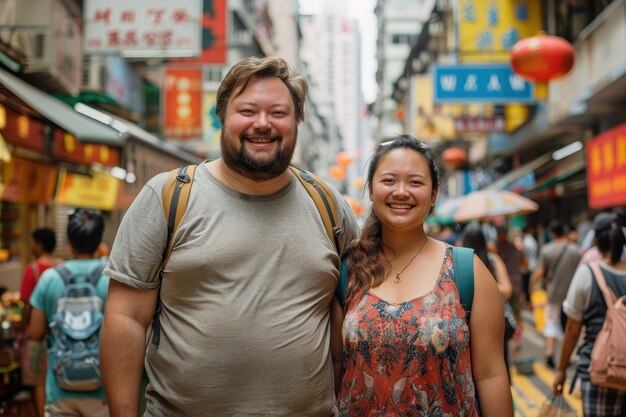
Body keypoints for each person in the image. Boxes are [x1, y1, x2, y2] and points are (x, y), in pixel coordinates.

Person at [100, 56, 359, 417]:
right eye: (248, 110)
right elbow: (126, 318)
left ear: (297, 120)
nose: (263, 124)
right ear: (222, 115)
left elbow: (361, 310)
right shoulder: (167, 197)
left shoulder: (327, 204)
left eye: (279, 113)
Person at [337, 136, 513, 416]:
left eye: (416, 182)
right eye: (389, 181)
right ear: (371, 190)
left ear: (433, 194)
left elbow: (491, 375)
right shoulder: (348, 271)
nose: (401, 192)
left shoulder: (466, 270)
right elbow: (336, 368)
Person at [29, 209, 109, 416]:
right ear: (99, 240)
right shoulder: (111, 277)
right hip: (103, 390)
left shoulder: (49, 278)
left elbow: (36, 333)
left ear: (68, 242)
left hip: (59, 390)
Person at [553, 212, 626, 416]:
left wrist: (561, 370)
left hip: (599, 371)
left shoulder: (589, 273)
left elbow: (573, 328)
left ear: (597, 242)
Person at [461, 223, 515, 382]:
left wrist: (478, 287)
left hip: (470, 322)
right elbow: (506, 289)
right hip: (494, 322)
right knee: (497, 368)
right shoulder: (489, 259)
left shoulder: (490, 260)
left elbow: (507, 289)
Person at [19, 228, 62, 416]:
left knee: (39, 381)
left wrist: (22, 328)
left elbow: (27, 304)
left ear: (40, 244)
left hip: (40, 335)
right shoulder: (63, 267)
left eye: (33, 242)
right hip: (61, 333)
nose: (31, 246)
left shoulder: (33, 269)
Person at [531, 220, 581, 368]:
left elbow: (539, 272)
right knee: (570, 326)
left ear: (552, 233)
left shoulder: (547, 250)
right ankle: (569, 356)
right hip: (572, 294)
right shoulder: (575, 250)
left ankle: (549, 353)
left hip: (553, 294)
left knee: (552, 323)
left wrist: (532, 286)